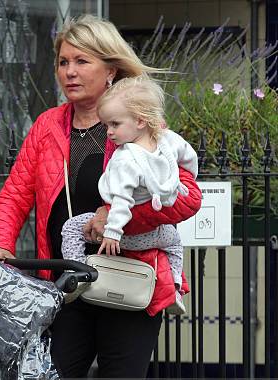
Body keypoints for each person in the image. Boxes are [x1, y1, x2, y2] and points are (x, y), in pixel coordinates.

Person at [0, 14, 201, 380]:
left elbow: (186, 199)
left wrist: (121, 216)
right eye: (63, 61)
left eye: (82, 61)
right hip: (71, 284)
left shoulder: (139, 124)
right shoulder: (47, 127)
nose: (69, 72)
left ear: (110, 68)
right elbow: (14, 193)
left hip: (132, 284)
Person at [61, 76, 198, 315]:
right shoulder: (167, 141)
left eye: (115, 124)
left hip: (121, 233)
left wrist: (113, 232)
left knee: (72, 228)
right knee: (175, 243)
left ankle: (77, 273)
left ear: (140, 120)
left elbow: (121, 200)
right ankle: (176, 287)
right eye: (106, 125)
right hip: (155, 235)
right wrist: (185, 180)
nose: (109, 132)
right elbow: (190, 157)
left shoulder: (125, 157)